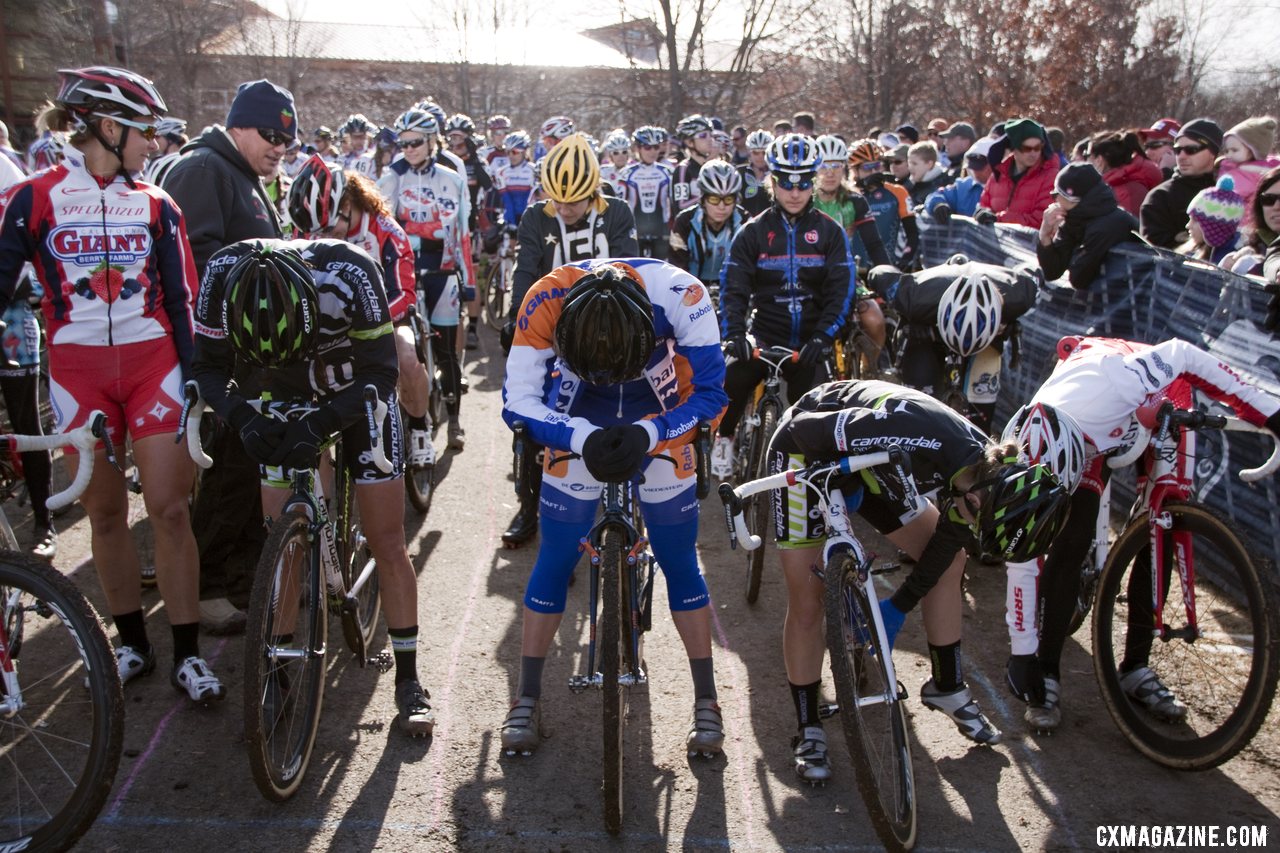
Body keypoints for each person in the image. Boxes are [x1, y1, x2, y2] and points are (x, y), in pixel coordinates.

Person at [0, 65, 225, 702]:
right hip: (77, 372)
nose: (155, 144)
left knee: (171, 510)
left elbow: (182, 299)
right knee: (103, 515)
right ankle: (131, 644)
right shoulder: (34, 197)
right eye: (145, 131)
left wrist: (195, 377)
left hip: (154, 363)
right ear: (107, 126)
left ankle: (187, 655)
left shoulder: (158, 203)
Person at [190, 239, 435, 735]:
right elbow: (207, 369)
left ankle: (408, 679)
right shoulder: (219, 273)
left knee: (387, 539)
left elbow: (382, 371)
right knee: (281, 544)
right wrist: (241, 417)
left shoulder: (350, 271)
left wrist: (321, 421)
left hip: (357, 392)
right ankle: (277, 676)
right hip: (277, 391)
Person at [767, 379, 1069, 781]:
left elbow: (941, 551)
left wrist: (899, 606)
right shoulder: (920, 436)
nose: (970, 524)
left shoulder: (985, 476)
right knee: (807, 600)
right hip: (807, 442)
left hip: (878, 458)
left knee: (951, 560)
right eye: (977, 522)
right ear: (978, 500)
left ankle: (947, 684)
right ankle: (808, 728)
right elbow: (797, 431)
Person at [498, 259, 728, 757]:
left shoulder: (682, 295)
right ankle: (527, 695)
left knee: (678, 558)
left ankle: (706, 698)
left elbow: (711, 395)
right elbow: (517, 400)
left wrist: (652, 431)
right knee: (557, 556)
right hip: (579, 408)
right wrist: (578, 436)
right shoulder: (546, 295)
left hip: (661, 406)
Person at [1002, 337, 1280, 732]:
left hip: (1157, 395)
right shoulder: (1026, 440)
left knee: (1163, 523)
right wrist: (1023, 652)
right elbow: (1021, 556)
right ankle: (1048, 668)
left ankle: (1135, 665)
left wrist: (1270, 413)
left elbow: (1183, 353)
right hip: (1086, 427)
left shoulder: (1122, 381)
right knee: (1070, 538)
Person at [163, 77, 298, 634]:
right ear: (238, 125)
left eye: (286, 140)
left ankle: (241, 578)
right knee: (224, 473)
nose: (278, 147)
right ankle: (210, 586)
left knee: (248, 469)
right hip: (219, 353)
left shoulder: (241, 173)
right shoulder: (202, 169)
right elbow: (198, 265)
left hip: (251, 351)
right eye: (269, 134)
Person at [500, 133, 639, 548]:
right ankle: (529, 505)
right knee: (528, 413)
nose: (564, 209)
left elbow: (630, 269)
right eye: (556, 200)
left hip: (606, 321)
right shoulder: (535, 218)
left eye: (574, 202)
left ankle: (616, 496)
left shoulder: (617, 213)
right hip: (549, 322)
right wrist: (514, 318)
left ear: (593, 191)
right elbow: (525, 270)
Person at [711, 133, 856, 477]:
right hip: (764, 335)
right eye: (786, 183)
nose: (794, 192)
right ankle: (726, 436)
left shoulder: (831, 232)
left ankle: (814, 472)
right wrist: (735, 334)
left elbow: (842, 290)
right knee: (731, 380)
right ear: (772, 182)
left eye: (804, 183)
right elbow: (734, 287)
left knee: (817, 413)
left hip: (810, 339)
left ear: (814, 183)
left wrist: (823, 337)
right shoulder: (752, 232)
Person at [287, 154, 435, 467]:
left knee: (407, 357)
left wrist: (370, 323)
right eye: (314, 232)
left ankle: (420, 426)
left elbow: (404, 294)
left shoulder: (386, 230)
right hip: (327, 327)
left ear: (348, 205)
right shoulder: (307, 229)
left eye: (328, 228)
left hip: (386, 320)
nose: (321, 238)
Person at [377, 107, 472, 453]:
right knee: (403, 348)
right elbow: (380, 231)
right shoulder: (390, 180)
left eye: (416, 142)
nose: (410, 148)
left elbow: (462, 232)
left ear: (432, 142)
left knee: (446, 349)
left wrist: (468, 278)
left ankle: (455, 420)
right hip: (404, 273)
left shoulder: (452, 178)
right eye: (403, 143)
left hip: (442, 271)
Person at [0, 144, 53, 557]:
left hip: (14, 323)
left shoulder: (6, 169)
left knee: (26, 426)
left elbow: (30, 260)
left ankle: (44, 523)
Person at [1037, 162, 1143, 290]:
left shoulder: (1107, 224)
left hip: (1138, 299)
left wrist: (1077, 249)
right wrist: (1044, 236)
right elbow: (1052, 272)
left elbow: (1078, 279)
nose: (1055, 200)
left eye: (1056, 194)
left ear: (1073, 199)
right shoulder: (1075, 218)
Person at [1139, 118, 1221, 249]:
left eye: (1191, 150)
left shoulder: (1231, 191)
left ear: (1213, 153)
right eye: (1177, 150)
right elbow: (1155, 253)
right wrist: (1196, 241)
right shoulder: (1160, 196)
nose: (1181, 156)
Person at [669, 160, 746, 290]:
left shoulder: (745, 221)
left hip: (733, 291)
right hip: (692, 290)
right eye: (714, 199)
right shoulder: (684, 221)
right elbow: (676, 265)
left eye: (728, 199)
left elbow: (749, 266)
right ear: (703, 199)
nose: (722, 207)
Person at [975, 118, 1060, 229]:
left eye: (1038, 147)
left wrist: (997, 219)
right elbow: (984, 205)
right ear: (1014, 148)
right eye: (1027, 148)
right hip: (994, 244)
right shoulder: (998, 174)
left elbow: (1041, 219)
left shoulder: (1051, 176)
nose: (1033, 153)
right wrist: (984, 213)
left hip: (1030, 245)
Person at [848, 138, 918, 267]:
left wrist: (905, 259)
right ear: (855, 170)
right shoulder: (847, 196)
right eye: (867, 167)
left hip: (888, 267)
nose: (874, 172)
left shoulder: (897, 192)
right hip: (855, 267)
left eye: (877, 166)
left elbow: (913, 233)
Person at [619, 126, 672, 259]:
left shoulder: (667, 172)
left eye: (656, 147)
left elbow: (673, 203)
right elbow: (621, 205)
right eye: (647, 147)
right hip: (635, 230)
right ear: (637, 149)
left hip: (661, 228)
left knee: (661, 269)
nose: (652, 152)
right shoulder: (626, 174)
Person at [1084, 130, 1164, 217]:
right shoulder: (1113, 187)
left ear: (1099, 160)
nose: (1085, 161)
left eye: (1087, 155)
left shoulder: (1126, 193)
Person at [1180, 175, 1247, 265]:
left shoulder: (1229, 261)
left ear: (1214, 228)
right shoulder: (1193, 250)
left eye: (1195, 220)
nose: (1188, 225)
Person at [925, 138, 994, 221]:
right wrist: (938, 204)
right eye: (972, 168)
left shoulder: (1006, 188)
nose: (975, 172)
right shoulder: (963, 187)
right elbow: (936, 195)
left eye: (979, 168)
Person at [1217, 116, 1279, 204]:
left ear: (1253, 151)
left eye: (1234, 150)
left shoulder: (1251, 174)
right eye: (1226, 151)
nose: (1229, 155)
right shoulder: (1227, 166)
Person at [671, 115, 716, 218]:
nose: (710, 140)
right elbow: (680, 206)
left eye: (711, 135)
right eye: (703, 136)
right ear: (689, 142)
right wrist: (709, 197)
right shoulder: (683, 169)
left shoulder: (712, 168)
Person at [736, 129, 774, 217]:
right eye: (755, 152)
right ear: (749, 152)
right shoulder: (739, 173)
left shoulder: (776, 175)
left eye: (764, 153)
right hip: (744, 226)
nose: (760, 157)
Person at [905, 140, 951, 206]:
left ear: (929, 164)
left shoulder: (943, 186)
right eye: (909, 163)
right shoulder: (910, 185)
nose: (910, 168)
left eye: (914, 164)